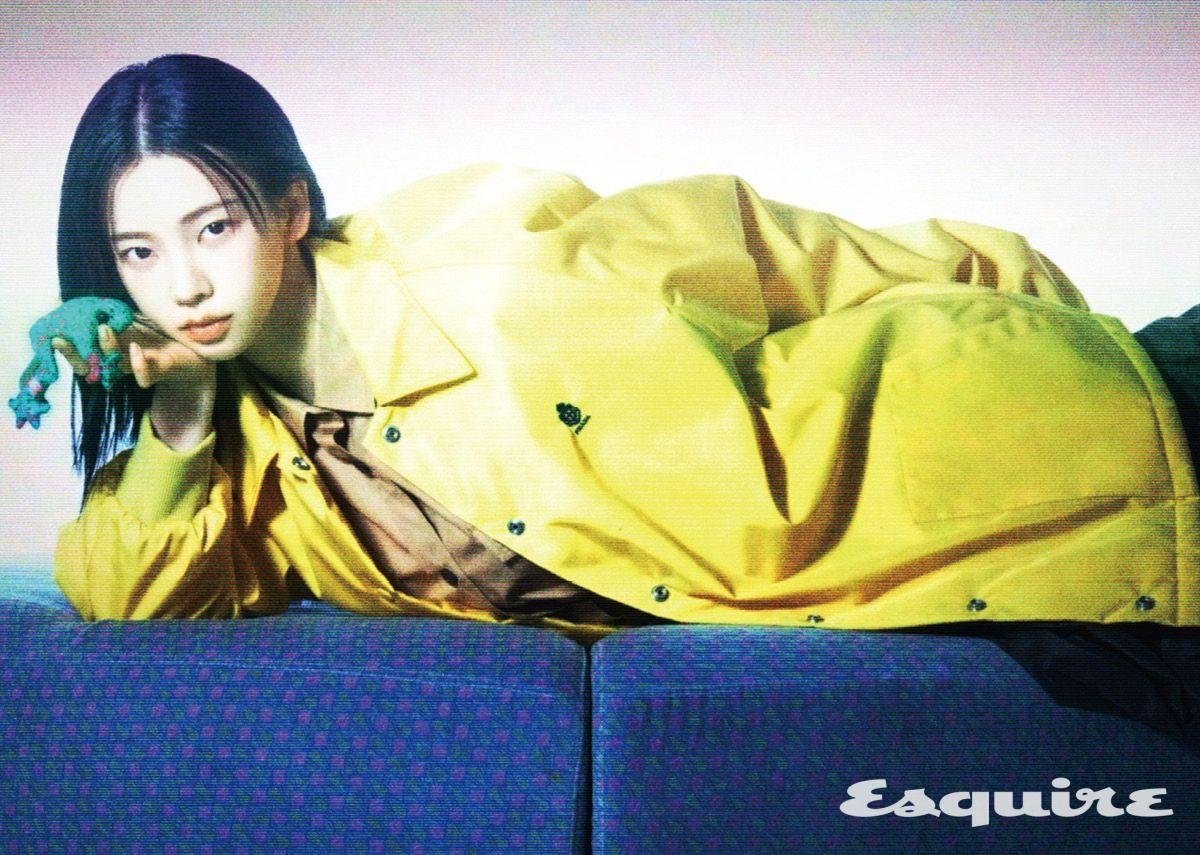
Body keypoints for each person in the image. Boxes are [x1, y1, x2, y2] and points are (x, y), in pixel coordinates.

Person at [46, 55, 1199, 739]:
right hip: (946, 557)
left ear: (291, 207)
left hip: (1043, 422)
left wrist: (1043, 309)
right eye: (139, 253)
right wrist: (179, 415)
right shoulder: (242, 461)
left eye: (214, 227)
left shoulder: (483, 257)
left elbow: (783, 252)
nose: (185, 284)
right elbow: (128, 605)